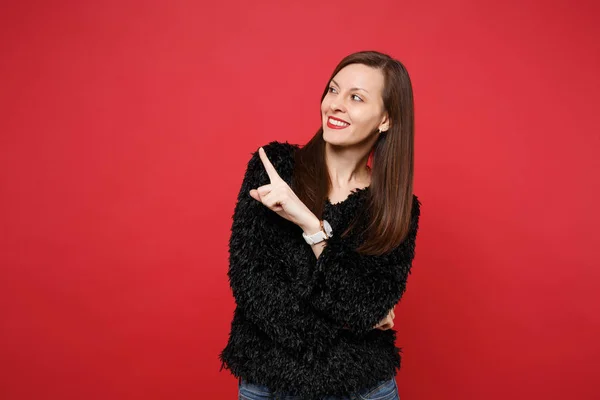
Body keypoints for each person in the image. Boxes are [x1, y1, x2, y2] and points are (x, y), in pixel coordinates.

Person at [219, 50, 421, 400]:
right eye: (333, 90)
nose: (335, 104)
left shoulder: (395, 208)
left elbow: (362, 302)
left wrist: (309, 224)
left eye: (355, 97)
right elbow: (251, 284)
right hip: (268, 385)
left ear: (385, 119)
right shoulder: (275, 168)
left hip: (362, 389)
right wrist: (353, 322)